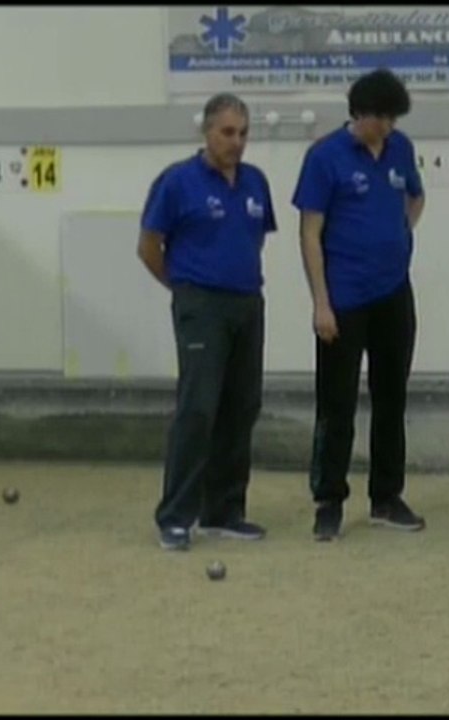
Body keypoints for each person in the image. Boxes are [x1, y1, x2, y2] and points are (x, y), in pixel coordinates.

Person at [137, 93, 278, 551]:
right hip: (201, 305)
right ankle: (176, 516)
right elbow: (149, 247)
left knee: (242, 407)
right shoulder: (178, 182)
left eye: (243, 133)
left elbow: (252, 241)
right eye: (227, 133)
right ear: (207, 131)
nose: (236, 142)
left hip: (247, 304)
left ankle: (224, 511)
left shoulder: (256, 182)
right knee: (198, 409)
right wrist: (185, 289)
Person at [292, 68, 427, 541]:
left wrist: (399, 234)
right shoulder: (325, 157)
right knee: (337, 405)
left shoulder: (400, 149)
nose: (387, 128)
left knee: (392, 398)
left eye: (393, 119)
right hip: (344, 300)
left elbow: (416, 197)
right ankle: (329, 501)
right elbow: (310, 233)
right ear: (359, 113)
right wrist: (320, 303)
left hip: (394, 293)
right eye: (381, 119)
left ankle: (386, 497)